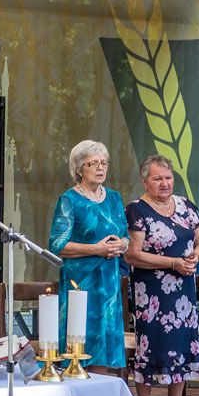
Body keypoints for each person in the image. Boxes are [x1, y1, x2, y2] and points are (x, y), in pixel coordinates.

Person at [124, 155, 199, 396]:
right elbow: (132, 254)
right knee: (151, 344)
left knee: (182, 341)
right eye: (157, 178)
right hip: (151, 292)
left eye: (168, 177)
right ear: (145, 181)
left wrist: (195, 256)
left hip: (184, 289)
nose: (164, 183)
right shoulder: (137, 210)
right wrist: (173, 263)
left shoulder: (185, 206)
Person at [47, 139, 128, 370]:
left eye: (104, 163)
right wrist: (95, 249)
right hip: (81, 283)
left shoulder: (114, 198)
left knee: (105, 348)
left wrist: (122, 245)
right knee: (81, 342)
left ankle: (101, 389)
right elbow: (57, 245)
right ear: (79, 169)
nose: (100, 168)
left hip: (109, 283)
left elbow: (125, 236)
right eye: (93, 163)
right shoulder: (69, 200)